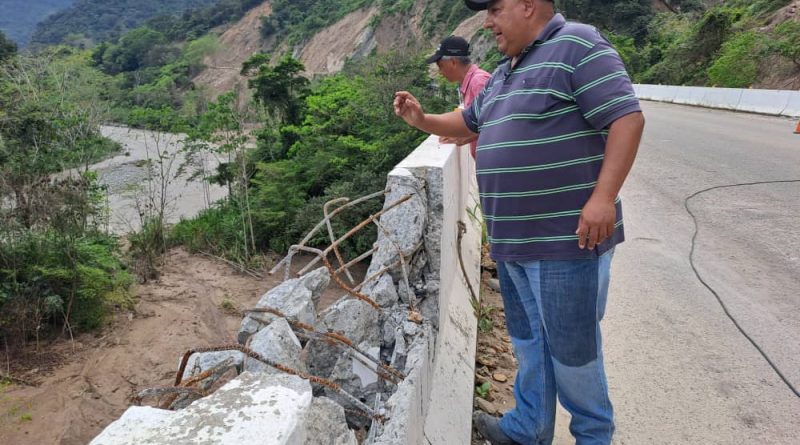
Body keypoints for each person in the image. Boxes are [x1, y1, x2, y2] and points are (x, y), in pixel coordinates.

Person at [393, 0, 645, 444]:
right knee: (530, 345)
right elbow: (469, 120)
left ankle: (592, 435)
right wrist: (422, 119)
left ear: (528, 5)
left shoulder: (578, 44)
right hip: (512, 242)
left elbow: (627, 117)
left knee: (573, 351)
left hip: (565, 241)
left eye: (495, 9)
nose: (487, 23)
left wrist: (603, 198)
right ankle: (529, 429)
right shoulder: (504, 71)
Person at [426, 35, 491, 158]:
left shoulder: (478, 82)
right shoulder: (471, 82)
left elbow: (495, 123)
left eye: (440, 66)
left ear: (453, 62)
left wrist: (465, 136)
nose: (440, 72)